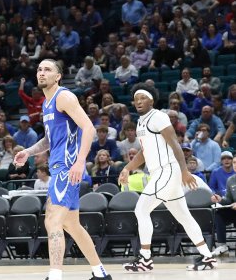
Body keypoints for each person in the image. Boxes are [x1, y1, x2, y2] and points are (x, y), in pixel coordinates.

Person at [13, 59, 111, 280]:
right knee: (71, 224)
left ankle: (55, 276)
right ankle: (100, 273)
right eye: (39, 69)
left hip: (67, 167)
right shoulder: (47, 104)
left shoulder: (64, 97)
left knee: (52, 220)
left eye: (47, 69)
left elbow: (88, 128)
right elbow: (49, 140)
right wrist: (28, 152)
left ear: (58, 76)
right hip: (61, 166)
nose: (41, 73)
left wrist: (79, 161)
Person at [120, 84, 217, 272]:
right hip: (160, 173)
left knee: (141, 210)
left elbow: (174, 143)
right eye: (136, 98)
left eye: (143, 98)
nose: (138, 101)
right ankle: (207, 256)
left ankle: (145, 259)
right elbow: (144, 152)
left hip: (167, 171)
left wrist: (184, 171)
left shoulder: (159, 116)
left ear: (152, 101)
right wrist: (127, 167)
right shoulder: (140, 121)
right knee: (184, 217)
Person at [211, 172, 236, 256]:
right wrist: (220, 200)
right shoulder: (231, 180)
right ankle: (223, 246)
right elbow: (229, 200)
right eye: (234, 162)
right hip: (234, 210)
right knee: (219, 213)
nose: (235, 165)